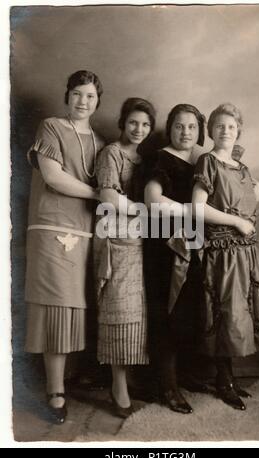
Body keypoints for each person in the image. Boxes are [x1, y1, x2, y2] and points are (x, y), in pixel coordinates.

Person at [24, 70, 105, 423]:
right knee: (54, 307)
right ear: (67, 95)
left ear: (97, 101)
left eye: (89, 96)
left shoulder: (100, 142)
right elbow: (54, 176)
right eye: (76, 94)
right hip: (51, 225)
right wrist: (99, 194)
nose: (82, 101)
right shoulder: (51, 127)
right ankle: (55, 392)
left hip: (85, 231)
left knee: (74, 308)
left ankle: (67, 379)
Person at [192, 103, 259, 410]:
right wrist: (238, 222)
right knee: (226, 314)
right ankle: (223, 379)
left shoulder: (243, 168)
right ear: (211, 131)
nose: (225, 131)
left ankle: (229, 376)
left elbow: (249, 204)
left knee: (242, 312)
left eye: (231, 126)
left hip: (246, 252)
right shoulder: (207, 161)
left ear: (239, 130)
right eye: (219, 126)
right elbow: (198, 207)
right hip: (222, 252)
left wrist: (256, 195)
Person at [94, 97, 156, 418]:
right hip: (117, 240)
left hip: (141, 241)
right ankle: (117, 386)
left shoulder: (144, 161)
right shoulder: (111, 154)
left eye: (145, 124)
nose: (139, 129)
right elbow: (107, 196)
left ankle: (129, 380)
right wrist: (146, 211)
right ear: (123, 122)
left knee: (139, 313)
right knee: (120, 309)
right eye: (133, 122)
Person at [144, 104, 206, 414]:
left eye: (192, 127)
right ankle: (166, 385)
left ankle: (184, 375)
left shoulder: (201, 161)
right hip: (164, 245)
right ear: (170, 129)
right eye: (179, 126)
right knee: (166, 313)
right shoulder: (161, 159)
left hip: (192, 243)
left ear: (200, 130)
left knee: (187, 310)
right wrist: (190, 211)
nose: (185, 132)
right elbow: (152, 200)